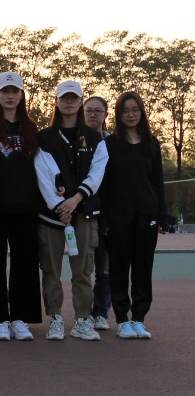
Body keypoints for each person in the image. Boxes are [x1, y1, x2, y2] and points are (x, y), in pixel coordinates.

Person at [35, 80, 107, 341]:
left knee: (83, 270)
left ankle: (82, 320)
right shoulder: (44, 137)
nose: (69, 102)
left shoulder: (96, 138)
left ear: (80, 101)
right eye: (64, 97)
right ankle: (55, 319)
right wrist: (59, 206)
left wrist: (75, 200)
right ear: (56, 101)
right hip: (52, 215)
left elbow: (97, 173)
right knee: (51, 269)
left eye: (73, 98)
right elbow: (43, 174)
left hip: (84, 212)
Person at [0, 72, 43, 342]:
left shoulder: (30, 128)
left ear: (22, 95)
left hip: (26, 208)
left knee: (25, 263)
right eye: (5, 91)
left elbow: (39, 169)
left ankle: (20, 318)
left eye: (15, 91)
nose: (10, 96)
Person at [101, 92, 164, 340]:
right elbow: (105, 184)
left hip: (146, 214)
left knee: (143, 268)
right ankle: (122, 320)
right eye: (125, 110)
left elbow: (158, 181)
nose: (130, 115)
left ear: (141, 112)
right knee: (118, 269)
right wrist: (104, 219)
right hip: (118, 217)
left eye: (135, 110)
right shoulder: (110, 144)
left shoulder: (152, 143)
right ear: (118, 114)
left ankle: (138, 318)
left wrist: (162, 215)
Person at [83, 95, 112, 331]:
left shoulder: (113, 143)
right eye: (89, 111)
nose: (93, 115)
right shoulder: (76, 141)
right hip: (82, 211)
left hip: (108, 214)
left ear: (105, 114)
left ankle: (100, 313)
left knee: (104, 268)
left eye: (98, 111)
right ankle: (82, 315)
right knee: (83, 268)